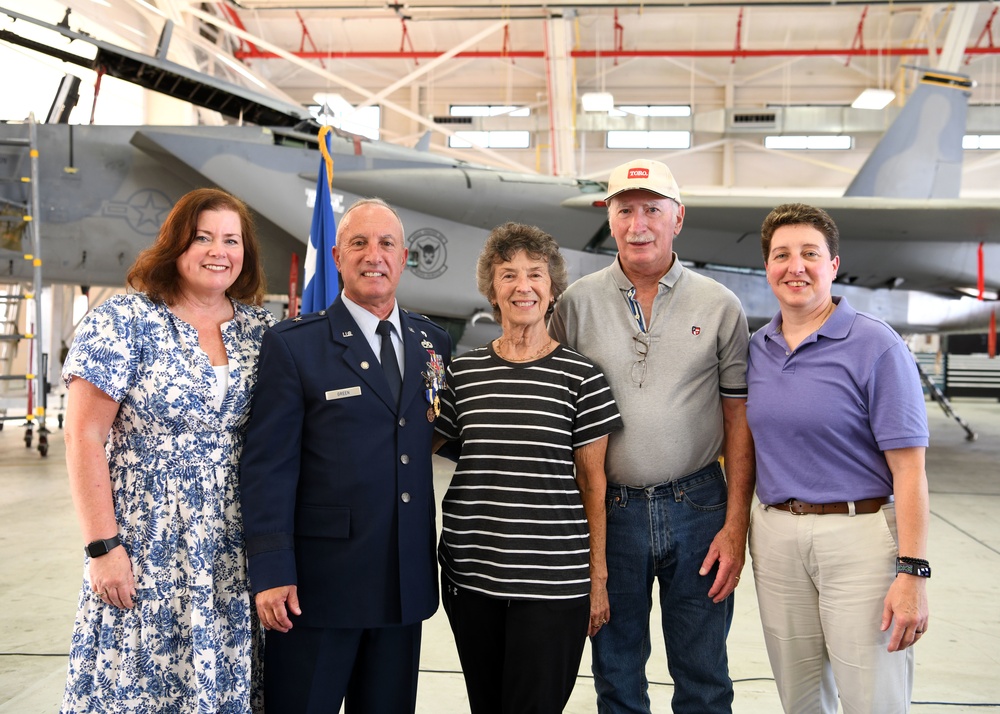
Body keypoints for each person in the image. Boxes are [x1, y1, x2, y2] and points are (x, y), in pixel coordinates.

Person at [549, 159, 753, 714]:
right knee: (616, 676)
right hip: (610, 515)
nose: (639, 224)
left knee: (704, 675)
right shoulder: (574, 305)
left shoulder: (720, 305)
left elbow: (739, 422)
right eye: (625, 211)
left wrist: (736, 526)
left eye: (652, 210)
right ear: (610, 220)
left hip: (699, 508)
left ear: (678, 218)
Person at [61, 187, 274, 712]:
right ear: (175, 245)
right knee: (139, 680)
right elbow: (83, 436)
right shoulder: (124, 321)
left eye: (231, 239)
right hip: (145, 540)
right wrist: (102, 548)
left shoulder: (263, 331)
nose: (217, 251)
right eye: (202, 237)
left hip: (232, 548)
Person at [238, 197, 452, 713]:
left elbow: (433, 433)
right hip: (317, 589)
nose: (373, 255)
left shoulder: (433, 343)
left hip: (403, 584)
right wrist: (271, 570)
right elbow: (268, 465)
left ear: (404, 259)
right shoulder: (295, 346)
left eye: (386, 244)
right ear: (337, 256)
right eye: (359, 243)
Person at [746, 203, 930, 713]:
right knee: (800, 699)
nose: (795, 266)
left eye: (810, 253)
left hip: (861, 538)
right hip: (777, 537)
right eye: (781, 255)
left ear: (833, 264)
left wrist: (913, 574)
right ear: (767, 268)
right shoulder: (757, 348)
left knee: (873, 699)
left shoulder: (877, 346)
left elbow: (910, 471)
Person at [435, 222, 623, 714]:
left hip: (552, 586)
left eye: (535, 274)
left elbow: (592, 483)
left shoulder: (582, 377)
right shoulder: (463, 373)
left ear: (552, 286)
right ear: (491, 289)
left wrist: (596, 578)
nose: (523, 286)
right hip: (470, 579)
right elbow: (411, 446)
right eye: (508, 275)